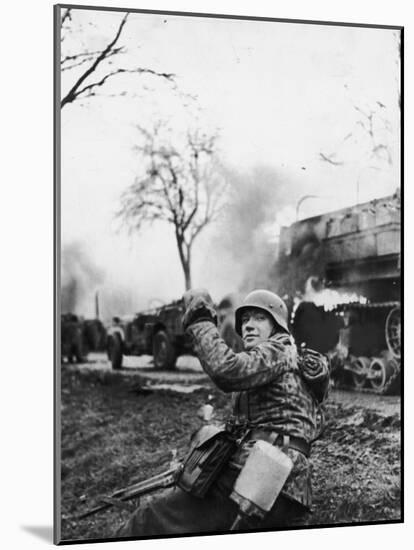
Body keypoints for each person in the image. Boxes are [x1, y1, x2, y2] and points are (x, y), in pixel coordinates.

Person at [115, 288, 329, 538]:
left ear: (278, 327)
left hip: (262, 475)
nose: (249, 325)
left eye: (259, 318)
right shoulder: (291, 365)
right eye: (245, 319)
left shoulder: (278, 351)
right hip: (292, 488)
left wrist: (200, 318)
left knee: (149, 519)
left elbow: (226, 369)